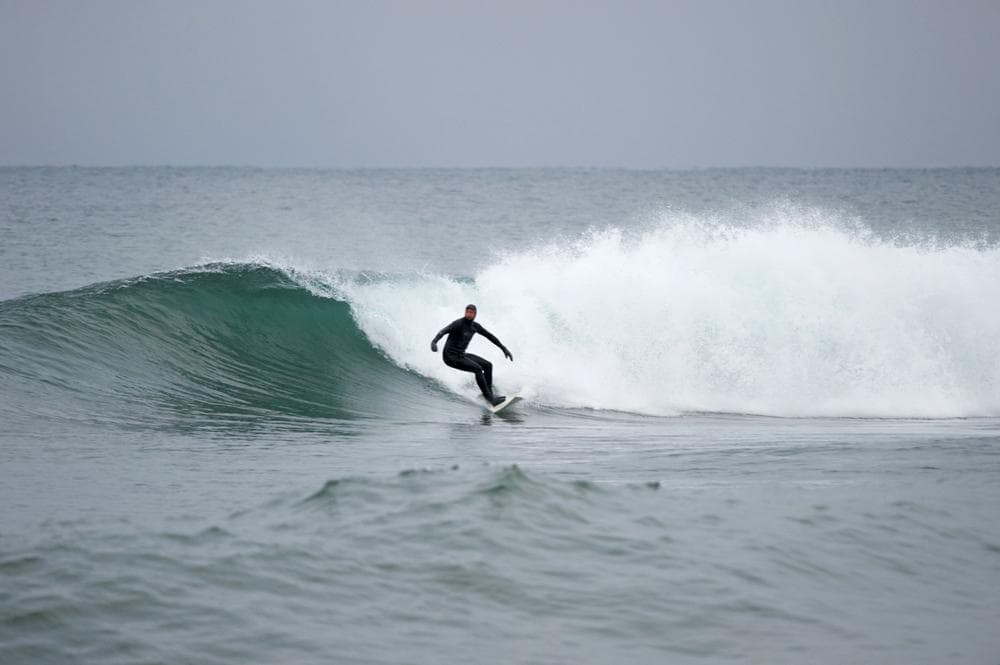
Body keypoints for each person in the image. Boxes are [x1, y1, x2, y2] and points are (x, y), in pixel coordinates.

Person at [431, 304, 513, 406]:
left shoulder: (475, 326)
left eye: (471, 312)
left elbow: (490, 336)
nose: (469, 314)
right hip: (450, 357)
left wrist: (503, 348)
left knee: (488, 365)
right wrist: (434, 342)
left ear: (475, 314)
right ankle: (491, 400)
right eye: (467, 312)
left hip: (461, 355)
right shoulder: (458, 323)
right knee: (477, 369)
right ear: (465, 312)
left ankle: (489, 395)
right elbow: (442, 332)